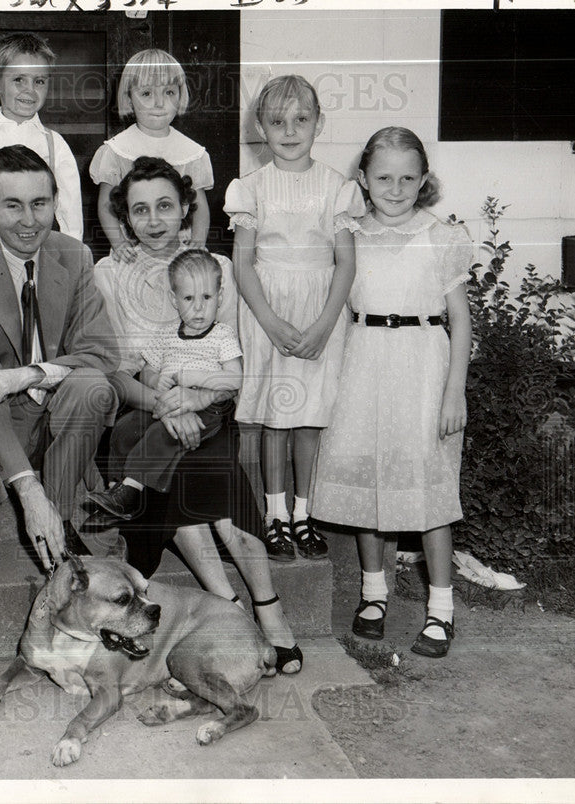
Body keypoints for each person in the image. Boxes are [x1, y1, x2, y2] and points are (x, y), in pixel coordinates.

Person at [92, 156, 302, 674]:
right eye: (140, 210)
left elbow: (231, 359)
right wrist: (167, 406)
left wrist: (198, 402)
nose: (155, 220)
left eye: (166, 205)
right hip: (143, 410)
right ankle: (232, 606)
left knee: (206, 464)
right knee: (175, 460)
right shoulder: (109, 273)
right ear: (124, 216)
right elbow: (117, 373)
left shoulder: (216, 269)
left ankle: (262, 605)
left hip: (211, 406)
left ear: (187, 207)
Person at [0, 144, 118, 703]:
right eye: (11, 205)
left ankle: (57, 551)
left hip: (50, 399)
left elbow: (102, 353)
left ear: (56, 202)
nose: (28, 220)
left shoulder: (75, 256)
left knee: (93, 389)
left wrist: (27, 373)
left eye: (40, 203)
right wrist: (25, 485)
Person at [311, 127, 472, 659]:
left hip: (424, 365)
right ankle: (374, 594)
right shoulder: (349, 232)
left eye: (408, 178)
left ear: (423, 180)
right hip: (365, 363)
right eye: (384, 177)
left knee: (428, 491)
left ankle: (441, 608)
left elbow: (461, 321)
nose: (396, 188)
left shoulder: (442, 235)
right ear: (364, 179)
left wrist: (455, 391)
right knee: (369, 484)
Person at [224, 74, 364, 563]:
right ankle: (274, 515)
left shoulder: (337, 188)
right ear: (260, 127)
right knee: (275, 418)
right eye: (277, 120)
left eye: (301, 119)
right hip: (268, 307)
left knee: (310, 418)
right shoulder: (250, 188)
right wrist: (269, 321)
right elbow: (243, 263)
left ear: (318, 124)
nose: (289, 130)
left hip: (319, 309)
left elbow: (345, 262)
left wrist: (326, 324)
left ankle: (305, 514)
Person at [86, 249, 242, 521]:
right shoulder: (166, 335)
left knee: (161, 435)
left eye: (207, 297)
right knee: (126, 427)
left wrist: (192, 379)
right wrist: (157, 382)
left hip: (208, 409)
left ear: (219, 296)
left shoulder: (222, 335)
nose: (198, 307)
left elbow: (235, 378)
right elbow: (148, 370)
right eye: (189, 298)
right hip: (167, 404)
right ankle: (115, 487)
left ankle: (131, 491)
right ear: (174, 299)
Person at [0, 32, 82, 260]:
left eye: (39, 81)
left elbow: (70, 207)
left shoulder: (55, 143)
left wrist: (73, 253)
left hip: (40, 237)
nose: (29, 90)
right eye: (18, 79)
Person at [90, 49, 211, 261]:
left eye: (169, 92)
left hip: (178, 250)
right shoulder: (116, 150)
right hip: (133, 251)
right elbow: (106, 204)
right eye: (147, 93)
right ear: (128, 97)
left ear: (180, 95)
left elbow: (199, 205)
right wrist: (118, 243)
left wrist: (199, 241)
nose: (159, 103)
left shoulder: (192, 152)